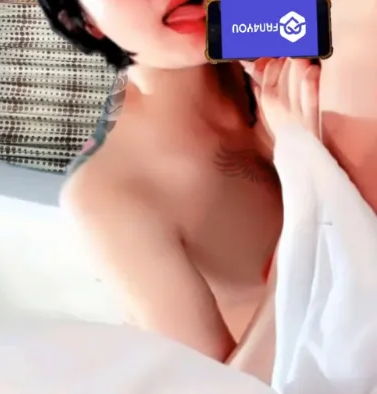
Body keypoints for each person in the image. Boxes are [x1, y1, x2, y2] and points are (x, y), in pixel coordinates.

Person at [39, 0, 313, 362]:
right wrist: (301, 249)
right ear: (83, 21)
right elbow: (214, 387)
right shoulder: (108, 191)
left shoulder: (278, 30)